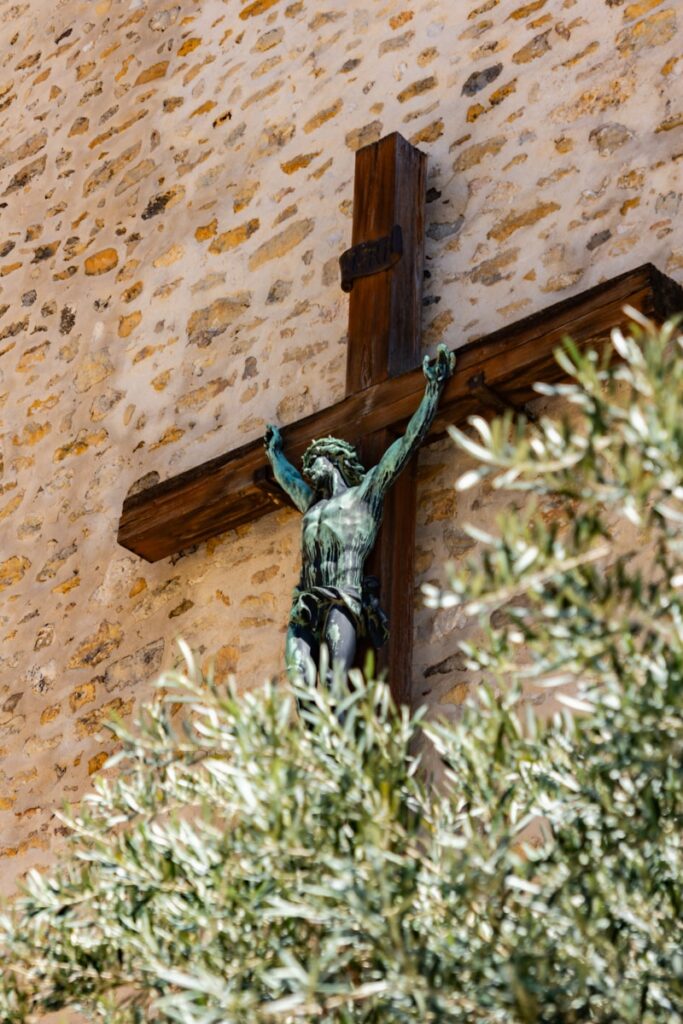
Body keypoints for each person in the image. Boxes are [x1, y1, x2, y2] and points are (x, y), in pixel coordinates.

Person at [264, 343, 455, 687]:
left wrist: (432, 392)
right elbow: (288, 479)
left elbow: (406, 445)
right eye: (307, 466)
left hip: (344, 598)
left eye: (315, 461)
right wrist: (275, 453)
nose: (308, 470)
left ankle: (336, 738)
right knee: (299, 680)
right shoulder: (313, 507)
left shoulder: (364, 495)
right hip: (306, 604)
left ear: (335, 459)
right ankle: (314, 740)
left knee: (335, 682)